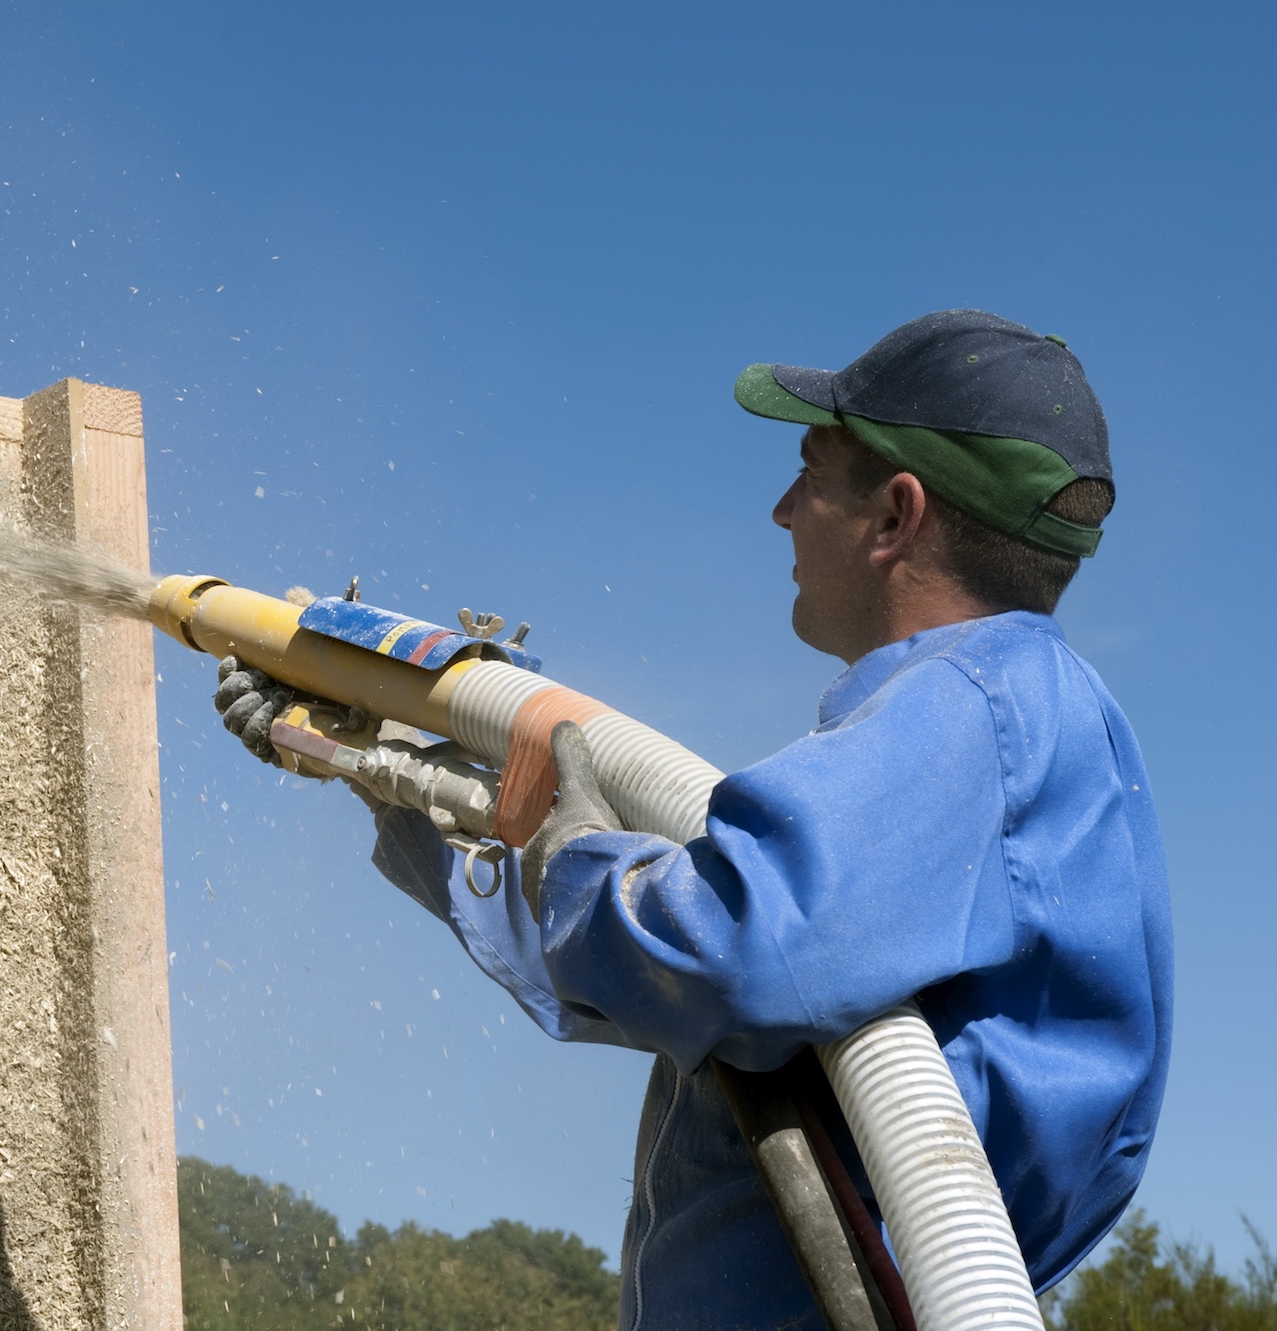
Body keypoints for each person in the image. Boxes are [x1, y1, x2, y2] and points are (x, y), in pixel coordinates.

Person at [212, 311, 1173, 1330]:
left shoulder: (977, 704)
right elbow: (653, 976)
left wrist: (579, 852)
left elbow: (725, 946)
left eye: (808, 472)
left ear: (894, 516)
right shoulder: (987, 738)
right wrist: (383, 766)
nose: (778, 510)